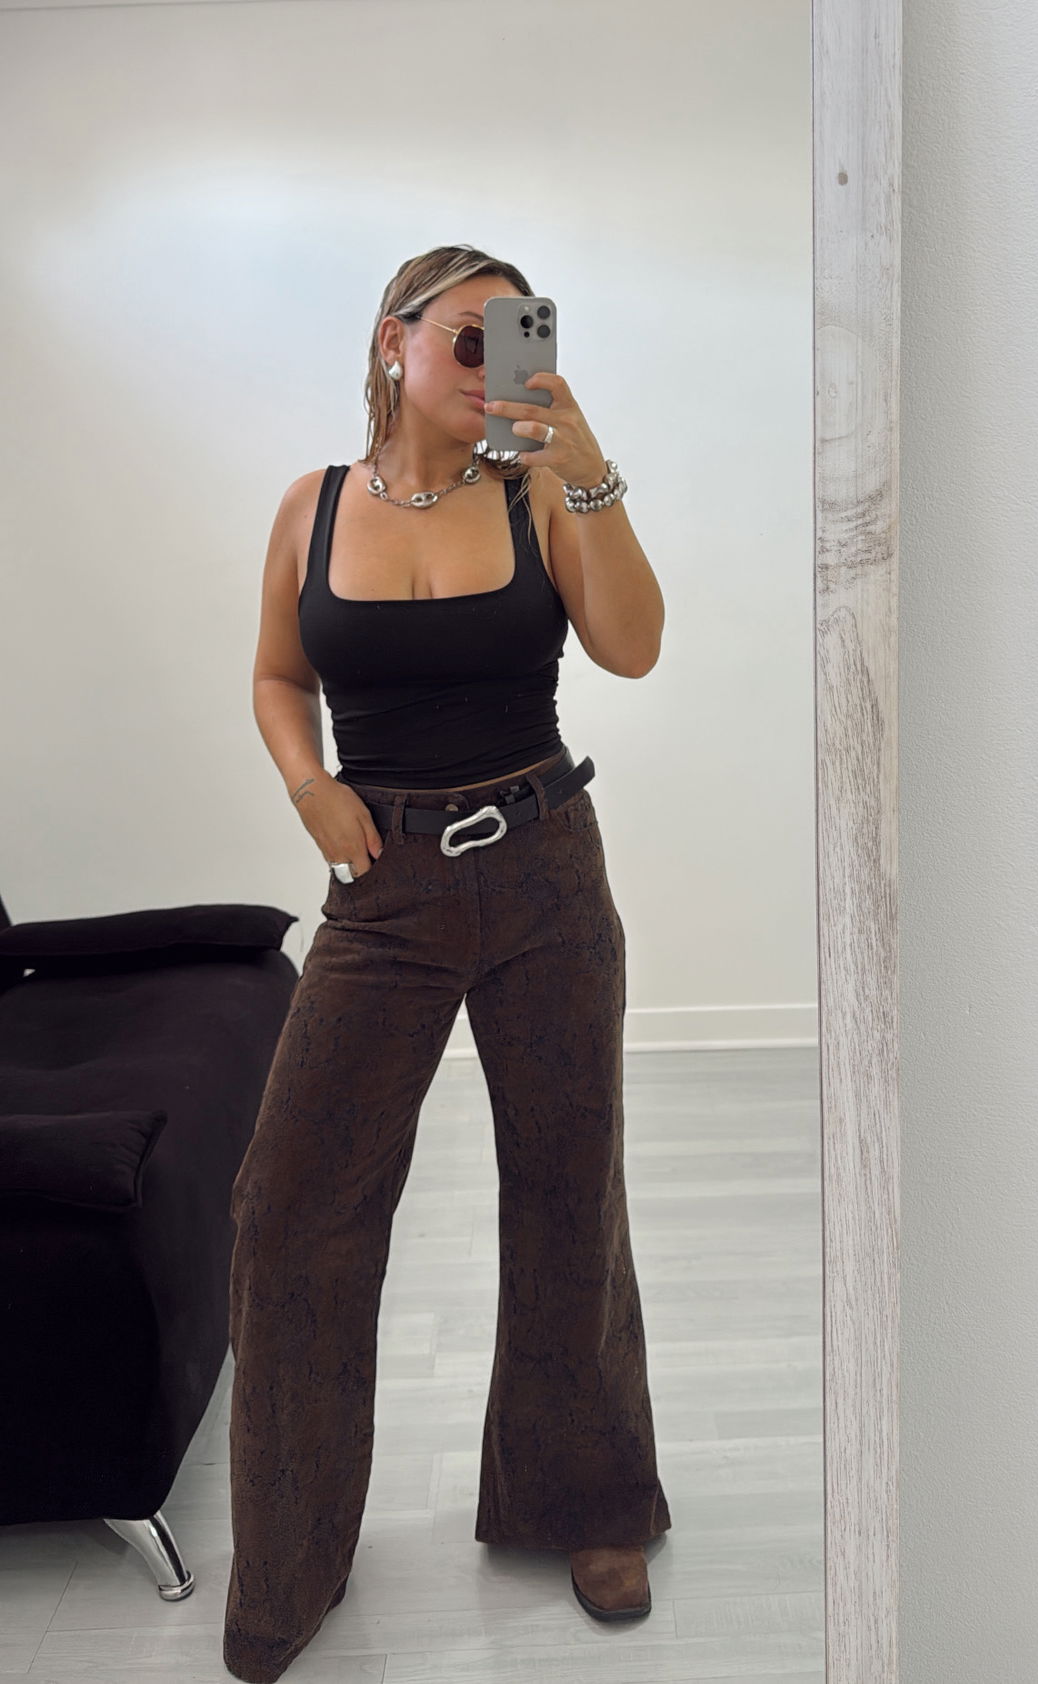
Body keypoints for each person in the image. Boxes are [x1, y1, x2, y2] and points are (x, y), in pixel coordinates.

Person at [222, 244, 672, 1684]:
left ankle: (586, 1505)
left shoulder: (538, 491)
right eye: (470, 338)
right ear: (392, 341)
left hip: (544, 869)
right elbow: (277, 674)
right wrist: (310, 787)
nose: (496, 365)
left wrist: (589, 470)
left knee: (567, 1189)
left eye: (518, 337)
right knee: (291, 1208)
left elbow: (634, 648)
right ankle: (291, 1556)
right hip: (384, 890)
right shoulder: (314, 506)